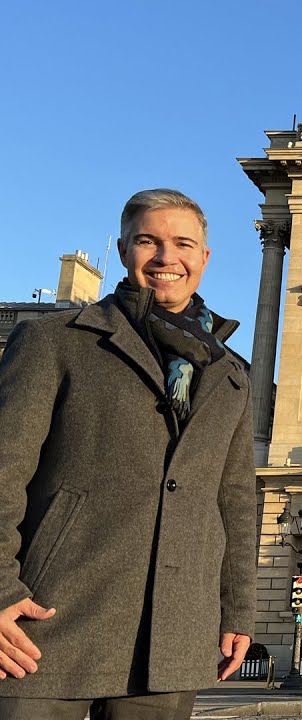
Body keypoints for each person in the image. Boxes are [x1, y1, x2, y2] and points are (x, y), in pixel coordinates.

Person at [0, 189, 258, 719]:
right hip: (48, 621)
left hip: (173, 629)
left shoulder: (231, 372)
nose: (167, 258)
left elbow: (233, 502)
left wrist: (238, 610)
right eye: (149, 241)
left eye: (182, 243)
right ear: (122, 250)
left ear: (204, 258)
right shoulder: (55, 342)